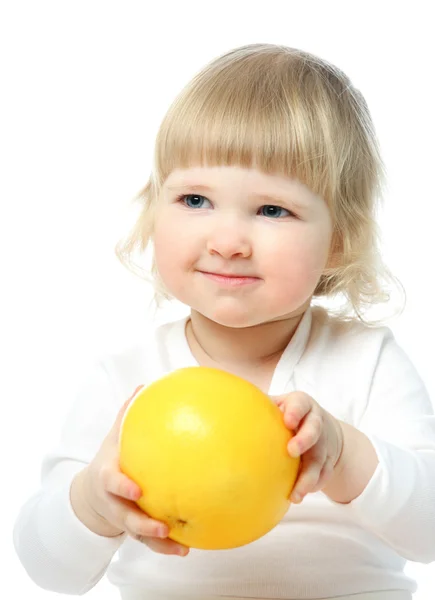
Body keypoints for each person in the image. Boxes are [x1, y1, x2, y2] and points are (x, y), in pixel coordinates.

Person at [12, 43, 435, 600]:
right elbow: (48, 569)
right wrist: (93, 500)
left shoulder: (365, 361)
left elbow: (428, 533)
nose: (229, 242)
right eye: (194, 199)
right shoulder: (127, 379)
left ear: (339, 241)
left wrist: (345, 453)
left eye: (272, 210)